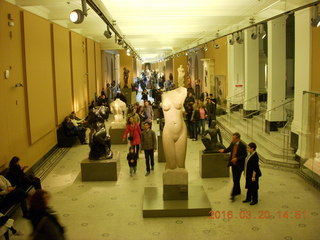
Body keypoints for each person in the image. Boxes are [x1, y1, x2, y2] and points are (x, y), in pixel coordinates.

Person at [162, 87, 187, 169]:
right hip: (168, 132)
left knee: (181, 165)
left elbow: (183, 89)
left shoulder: (181, 93)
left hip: (181, 131)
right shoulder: (164, 96)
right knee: (171, 166)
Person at [219, 132, 247, 201]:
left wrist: (237, 158)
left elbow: (244, 155)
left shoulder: (243, 145)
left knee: (236, 179)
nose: (232, 140)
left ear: (238, 139)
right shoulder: (232, 143)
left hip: (239, 165)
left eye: (233, 139)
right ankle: (238, 191)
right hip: (233, 164)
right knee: (235, 179)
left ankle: (233, 194)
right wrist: (223, 151)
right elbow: (229, 149)